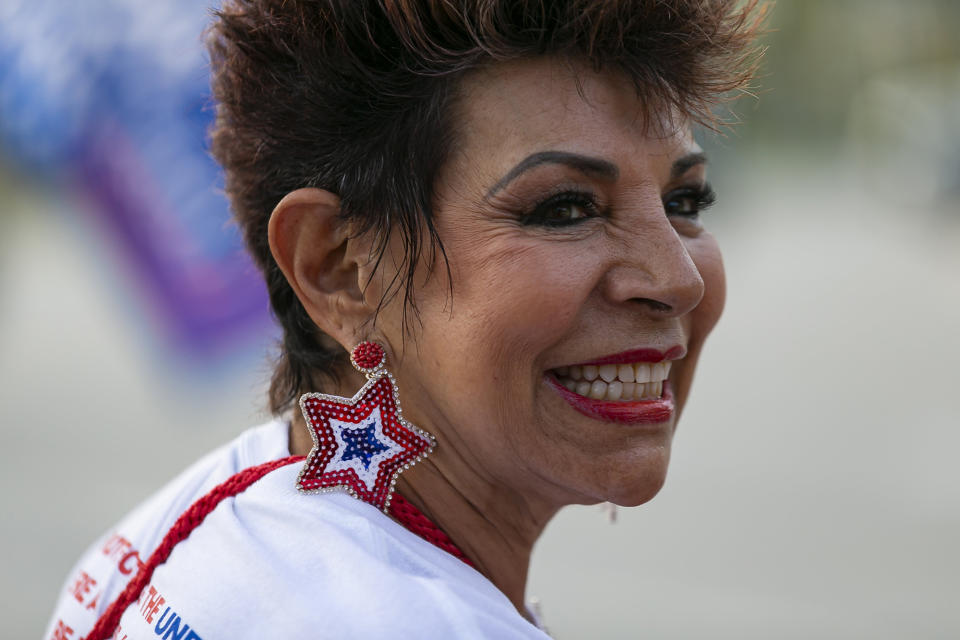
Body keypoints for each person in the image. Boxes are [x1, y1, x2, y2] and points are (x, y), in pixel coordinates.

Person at [45, 1, 765, 637]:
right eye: (566, 208)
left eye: (686, 203)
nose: (676, 279)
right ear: (340, 269)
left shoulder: (168, 533)